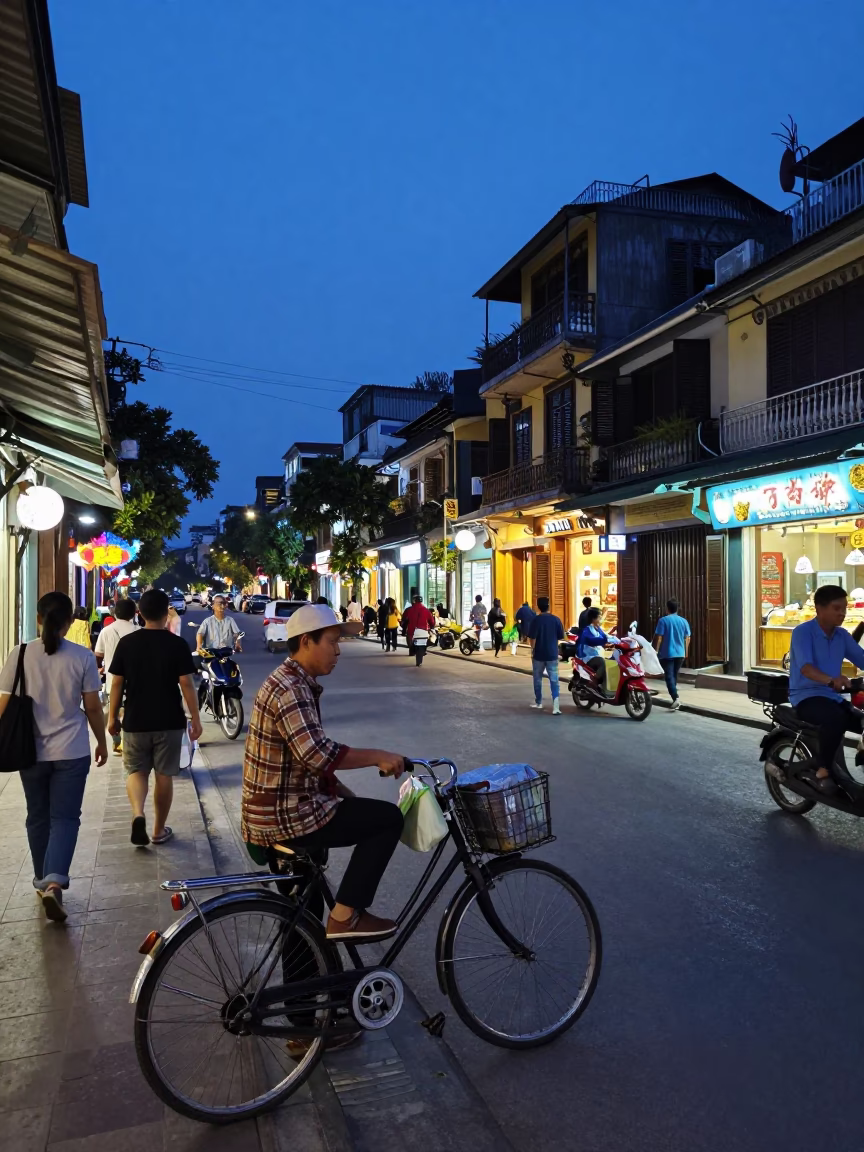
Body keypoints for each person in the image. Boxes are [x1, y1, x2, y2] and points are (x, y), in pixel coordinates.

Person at [241, 603, 406, 940]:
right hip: (286, 815)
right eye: (332, 642)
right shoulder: (291, 688)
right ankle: (345, 917)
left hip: (279, 808)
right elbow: (316, 753)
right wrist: (378, 756)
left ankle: (304, 991)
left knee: (301, 917)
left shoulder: (294, 681)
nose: (338, 651)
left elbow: (304, 757)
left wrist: (340, 790)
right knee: (387, 819)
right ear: (306, 642)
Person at [0, 592, 107, 922]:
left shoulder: (19, 654)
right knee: (65, 818)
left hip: (29, 751)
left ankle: (42, 880)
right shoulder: (82, 657)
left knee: (38, 816)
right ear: (69, 622)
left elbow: (4, 704)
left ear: (38, 618)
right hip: (72, 751)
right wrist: (102, 740)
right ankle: (53, 881)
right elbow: (91, 706)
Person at [109, 589, 203, 846]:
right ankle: (159, 830)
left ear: (140, 613)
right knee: (163, 774)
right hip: (169, 720)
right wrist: (195, 718)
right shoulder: (176, 644)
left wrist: (112, 717)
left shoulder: (127, 643)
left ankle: (138, 813)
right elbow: (186, 683)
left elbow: (117, 682)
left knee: (136, 771)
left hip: (135, 719)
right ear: (166, 613)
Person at [789, 584, 864, 794]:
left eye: (845, 608)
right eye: (836, 608)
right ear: (819, 608)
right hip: (806, 696)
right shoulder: (803, 632)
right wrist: (831, 680)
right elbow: (806, 668)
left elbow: (861, 658)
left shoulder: (841, 635)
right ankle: (822, 769)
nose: (842, 613)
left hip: (832, 697)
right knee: (835, 719)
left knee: (861, 723)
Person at [95, 598, 138, 755]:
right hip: (135, 682)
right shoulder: (138, 630)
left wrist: (100, 669)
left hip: (112, 680)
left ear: (115, 613)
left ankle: (117, 742)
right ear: (134, 613)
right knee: (129, 711)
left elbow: (98, 656)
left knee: (114, 712)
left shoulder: (106, 631)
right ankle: (129, 742)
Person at [527, 596, 565, 714]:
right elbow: (560, 637)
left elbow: (532, 638)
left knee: (537, 679)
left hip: (539, 654)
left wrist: (532, 650)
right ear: (549, 606)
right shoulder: (556, 620)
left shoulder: (536, 620)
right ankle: (556, 706)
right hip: (552, 654)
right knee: (554, 680)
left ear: (538, 607)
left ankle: (539, 702)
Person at [653, 598, 691, 712]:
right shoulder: (684, 621)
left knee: (669, 676)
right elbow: (687, 638)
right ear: (677, 609)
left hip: (667, 653)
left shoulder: (663, 621)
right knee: (673, 676)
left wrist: (656, 650)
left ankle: (676, 698)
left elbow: (659, 637)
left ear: (667, 608)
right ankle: (674, 697)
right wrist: (686, 652)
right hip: (680, 653)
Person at [577, 607, 612, 691]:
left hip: (597, 654)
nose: (600, 619)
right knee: (602, 662)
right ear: (593, 619)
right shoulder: (587, 630)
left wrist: (617, 641)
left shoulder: (597, 629)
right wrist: (604, 641)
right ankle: (594, 681)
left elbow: (605, 637)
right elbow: (593, 640)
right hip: (588, 656)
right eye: (599, 617)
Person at [402, 594, 435, 666]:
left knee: (410, 642)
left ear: (414, 601)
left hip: (412, 631)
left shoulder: (409, 610)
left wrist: (404, 629)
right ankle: (423, 651)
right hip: (424, 630)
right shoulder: (426, 610)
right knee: (426, 641)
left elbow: (405, 620)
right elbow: (431, 621)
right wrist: (432, 627)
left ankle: (413, 650)